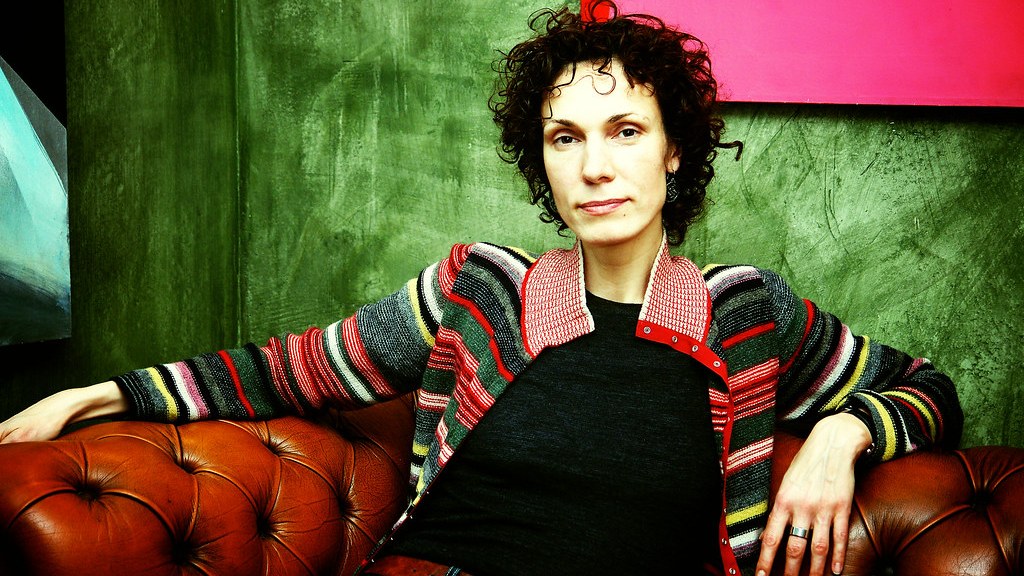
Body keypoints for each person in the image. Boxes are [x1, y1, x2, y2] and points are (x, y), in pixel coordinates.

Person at [0, 3, 963, 576]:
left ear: (675, 150)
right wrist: (103, 394)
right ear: (543, 164)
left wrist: (841, 435)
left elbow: (928, 389)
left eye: (626, 131)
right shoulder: (482, 285)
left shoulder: (745, 309)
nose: (595, 166)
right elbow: (295, 369)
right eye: (565, 138)